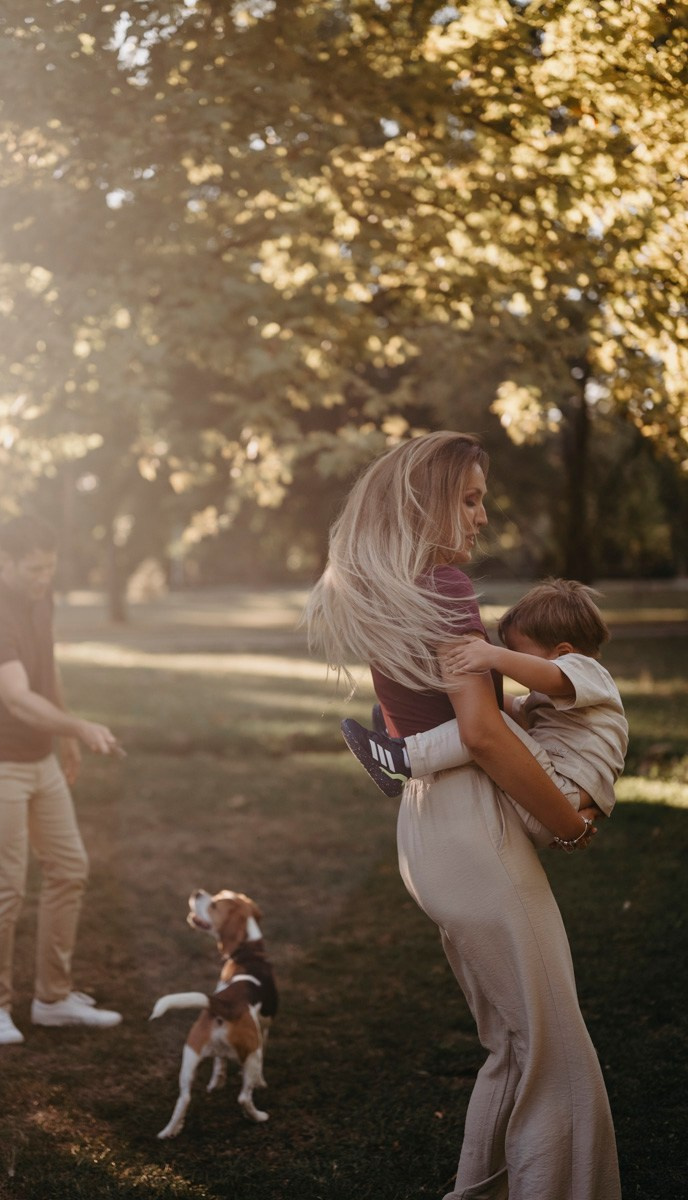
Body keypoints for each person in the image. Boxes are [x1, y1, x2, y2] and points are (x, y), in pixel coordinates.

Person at [304, 432, 620, 1199]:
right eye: (470, 499)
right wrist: (571, 825)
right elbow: (480, 732)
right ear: (429, 501)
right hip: (469, 830)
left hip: (424, 823)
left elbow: (454, 723)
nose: (481, 517)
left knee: (512, 1048)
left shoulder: (392, 585)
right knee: (557, 1059)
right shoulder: (443, 585)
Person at [0, 514, 125, 1045]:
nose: (42, 578)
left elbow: (47, 675)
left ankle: (52, 998)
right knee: (6, 885)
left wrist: (66, 737)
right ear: (3, 562)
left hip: (38, 758)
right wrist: (78, 726)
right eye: (32, 569)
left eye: (49, 568)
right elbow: (16, 698)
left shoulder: (39, 598)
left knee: (69, 867)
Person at [341, 578, 628, 848]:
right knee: (484, 715)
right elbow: (509, 705)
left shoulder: (588, 673)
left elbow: (551, 677)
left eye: (518, 652)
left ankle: (401, 759)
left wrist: (494, 656)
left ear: (562, 652)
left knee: (489, 725)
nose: (511, 659)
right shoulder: (559, 700)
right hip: (549, 796)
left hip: (560, 797)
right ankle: (400, 739)